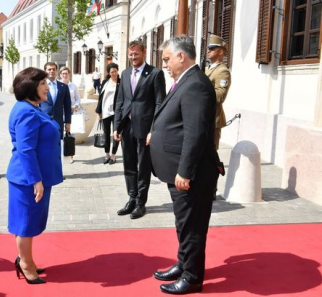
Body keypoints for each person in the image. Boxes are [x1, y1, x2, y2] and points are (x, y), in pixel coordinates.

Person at [149, 35, 220, 295]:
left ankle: (192, 277)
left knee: (191, 226)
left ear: (182, 56)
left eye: (167, 59)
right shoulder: (186, 81)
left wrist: (184, 171)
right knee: (183, 223)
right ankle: (184, 263)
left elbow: (196, 133)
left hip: (191, 173)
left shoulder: (196, 85)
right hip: (179, 170)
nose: (165, 65)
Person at [7, 67, 63, 285]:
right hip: (27, 179)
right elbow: (26, 149)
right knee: (25, 225)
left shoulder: (34, 108)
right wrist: (36, 181)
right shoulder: (25, 112)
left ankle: (26, 259)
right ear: (31, 87)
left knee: (29, 223)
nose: (47, 87)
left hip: (35, 177)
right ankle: (26, 265)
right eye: (43, 84)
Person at [113, 40, 166, 219]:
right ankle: (132, 198)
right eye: (130, 54)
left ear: (144, 53)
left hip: (145, 127)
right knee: (129, 164)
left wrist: (154, 129)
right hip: (126, 126)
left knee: (143, 165)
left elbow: (160, 103)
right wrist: (116, 126)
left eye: (136, 54)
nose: (133, 57)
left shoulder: (155, 73)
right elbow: (120, 101)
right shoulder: (125, 73)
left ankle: (141, 202)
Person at [40, 62, 72, 160]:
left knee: (57, 148)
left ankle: (58, 173)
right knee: (44, 147)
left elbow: (67, 106)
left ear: (56, 71)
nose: (51, 71)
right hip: (44, 121)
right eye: (49, 69)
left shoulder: (63, 87)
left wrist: (68, 122)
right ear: (45, 71)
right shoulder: (39, 86)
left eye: (54, 69)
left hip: (58, 122)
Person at [205, 34, 231, 150]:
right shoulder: (206, 69)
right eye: (208, 48)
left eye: (212, 48)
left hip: (212, 119)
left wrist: (200, 95)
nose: (208, 50)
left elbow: (220, 96)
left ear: (220, 52)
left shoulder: (222, 71)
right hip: (203, 116)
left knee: (210, 154)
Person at [95, 63, 120, 165]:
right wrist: (98, 112)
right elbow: (100, 98)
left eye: (115, 71)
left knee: (116, 134)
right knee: (106, 134)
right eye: (112, 72)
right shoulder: (105, 82)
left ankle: (113, 155)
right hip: (105, 112)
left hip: (117, 113)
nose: (114, 73)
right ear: (109, 73)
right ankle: (107, 155)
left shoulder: (121, 82)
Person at [59, 66, 80, 164]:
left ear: (69, 74)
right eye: (63, 73)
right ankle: (60, 154)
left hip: (71, 112)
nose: (64, 75)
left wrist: (75, 105)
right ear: (60, 75)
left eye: (66, 73)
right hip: (60, 112)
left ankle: (71, 155)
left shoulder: (73, 86)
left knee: (70, 134)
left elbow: (77, 99)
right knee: (59, 134)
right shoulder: (58, 85)